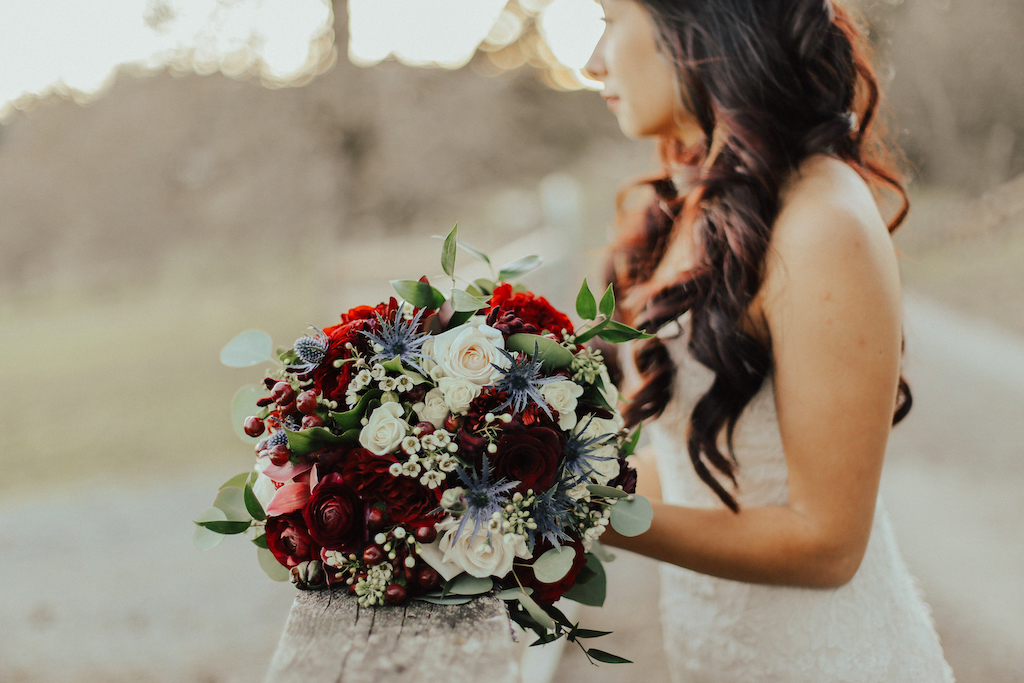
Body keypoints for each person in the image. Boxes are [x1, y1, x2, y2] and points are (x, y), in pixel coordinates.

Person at [583, 1, 955, 681]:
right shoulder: (702, 203)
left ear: (698, 24)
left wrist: (582, 509)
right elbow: (679, 460)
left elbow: (826, 545)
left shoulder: (821, 221)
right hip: (715, 654)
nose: (592, 62)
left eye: (609, 19)